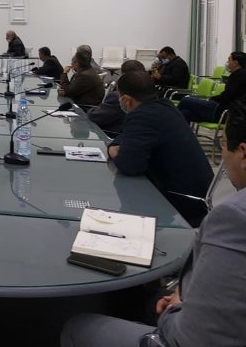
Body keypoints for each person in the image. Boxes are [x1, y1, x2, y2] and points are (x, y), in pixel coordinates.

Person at [60, 99, 246, 347]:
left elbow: (192, 338)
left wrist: (174, 310)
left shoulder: (234, 217)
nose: (222, 154)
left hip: (182, 333)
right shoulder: (167, 109)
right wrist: (185, 293)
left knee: (78, 326)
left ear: (243, 153)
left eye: (223, 144)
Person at [108, 71, 212, 227]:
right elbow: (126, 136)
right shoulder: (165, 106)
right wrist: (118, 145)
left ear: (126, 100)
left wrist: (112, 150)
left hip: (181, 203)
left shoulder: (142, 117)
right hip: (197, 194)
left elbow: (129, 166)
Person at [178, 51, 246, 124]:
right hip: (224, 110)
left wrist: (212, 99)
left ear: (236, 63)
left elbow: (228, 96)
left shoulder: (239, 76)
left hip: (223, 111)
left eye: (229, 59)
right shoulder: (239, 74)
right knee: (185, 113)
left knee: (185, 100)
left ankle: (170, 122)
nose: (227, 62)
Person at [87, 60, 146, 136]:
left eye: (120, 74)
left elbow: (95, 117)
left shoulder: (119, 97)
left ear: (123, 76)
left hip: (110, 136)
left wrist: (90, 110)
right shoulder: (147, 96)